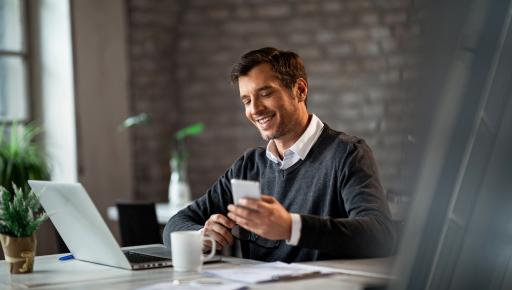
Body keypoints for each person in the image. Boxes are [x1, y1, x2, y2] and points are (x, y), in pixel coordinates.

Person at [163, 47, 395, 262]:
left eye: (265, 93)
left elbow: (380, 235)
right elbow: (175, 224)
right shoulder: (248, 166)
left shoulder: (347, 154)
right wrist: (202, 234)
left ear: (300, 90)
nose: (254, 109)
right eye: (247, 100)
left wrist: (290, 227)